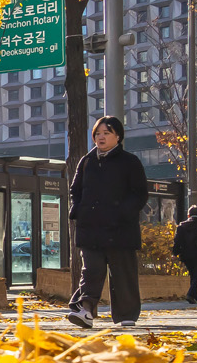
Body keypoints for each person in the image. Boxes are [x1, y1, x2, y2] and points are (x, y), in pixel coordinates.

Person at [64, 116, 149, 329]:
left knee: (123, 272)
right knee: (91, 270)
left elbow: (139, 194)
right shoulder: (86, 162)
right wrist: (78, 210)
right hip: (90, 227)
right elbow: (75, 190)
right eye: (98, 133)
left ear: (118, 136)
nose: (101, 137)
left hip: (120, 228)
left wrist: (123, 212)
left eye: (106, 133)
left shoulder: (130, 162)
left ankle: (126, 314)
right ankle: (85, 310)